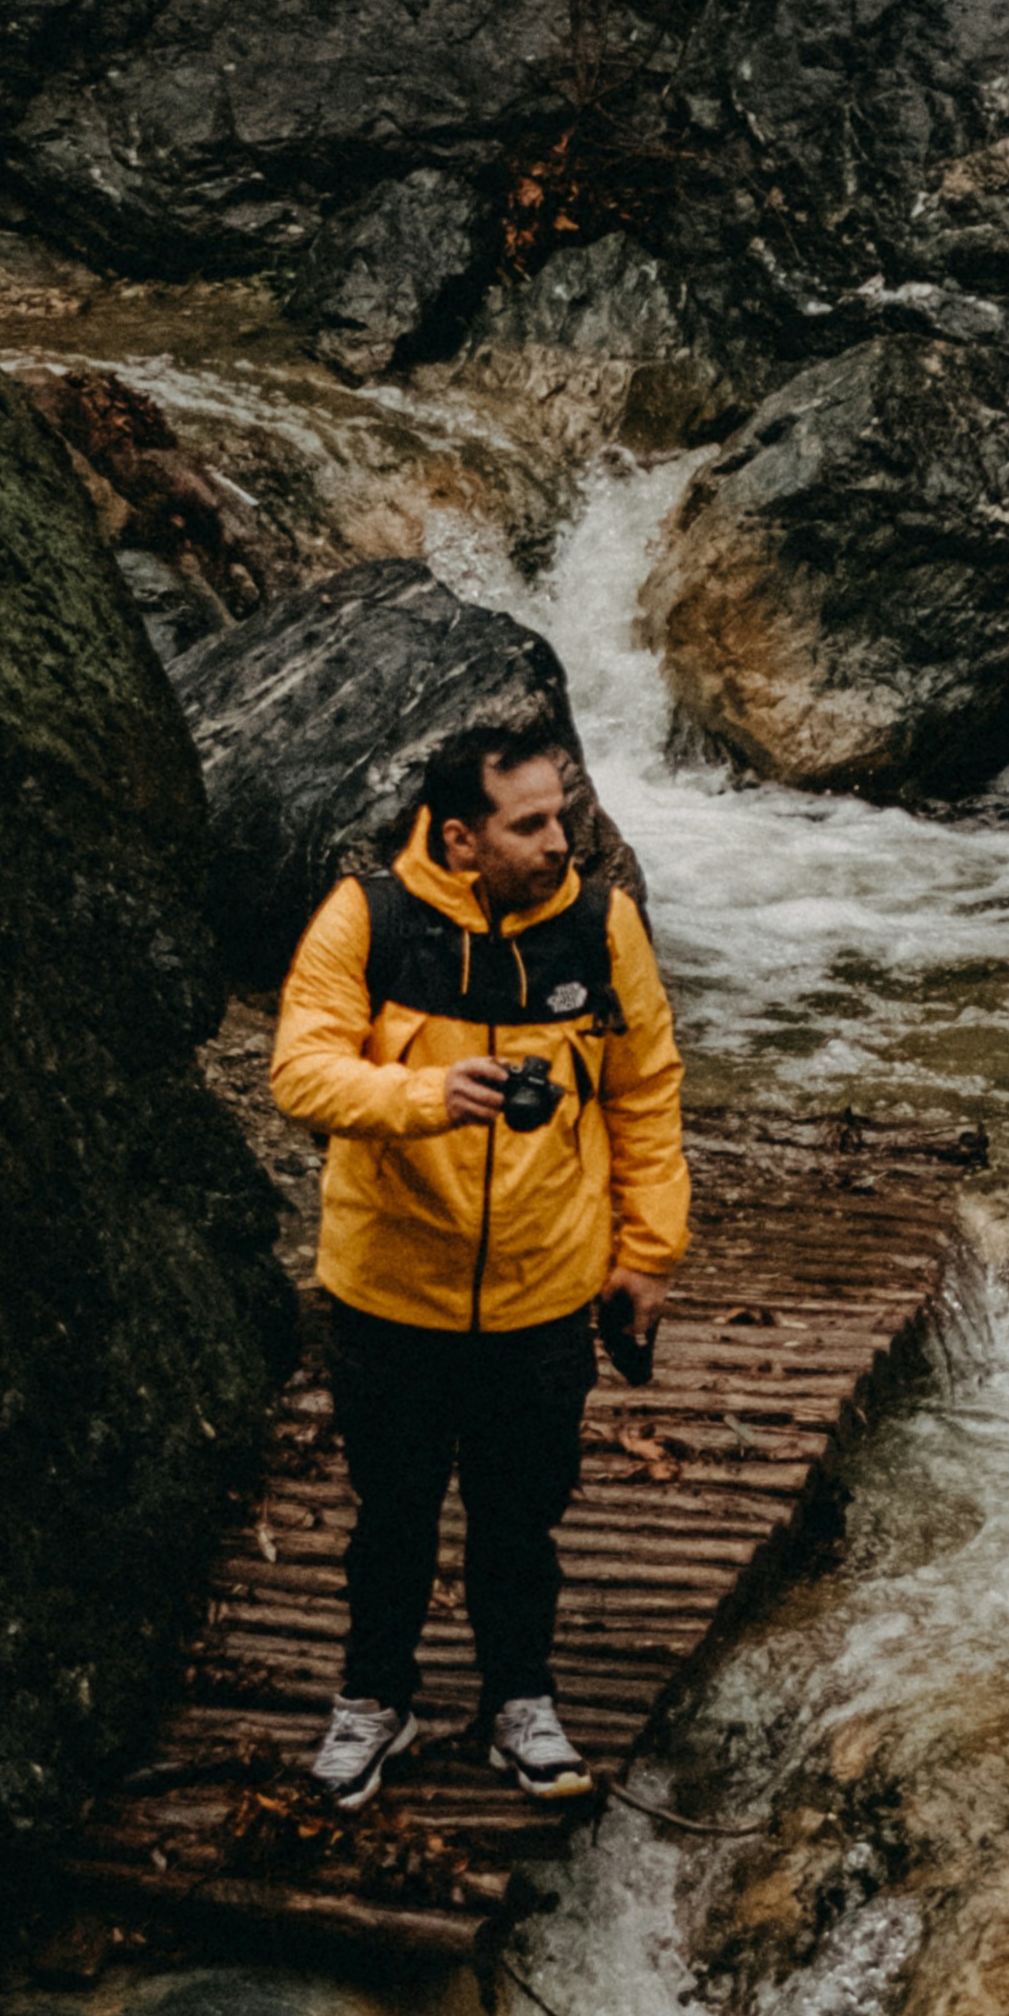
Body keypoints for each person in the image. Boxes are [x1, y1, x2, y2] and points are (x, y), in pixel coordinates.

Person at [267, 721, 690, 1807]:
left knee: (519, 1515)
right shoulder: (368, 918)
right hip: (388, 1289)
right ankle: (374, 1702)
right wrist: (421, 1098)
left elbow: (645, 1094)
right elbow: (301, 1073)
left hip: (544, 1292)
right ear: (461, 839)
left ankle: (520, 1702)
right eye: (531, 824)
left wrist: (646, 1255)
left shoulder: (602, 928)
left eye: (564, 814)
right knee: (393, 1514)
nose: (562, 841)